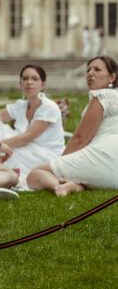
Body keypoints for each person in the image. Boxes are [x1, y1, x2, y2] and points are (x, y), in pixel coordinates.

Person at [27, 56, 118, 196]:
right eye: (88, 70)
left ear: (112, 77)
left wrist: (61, 162)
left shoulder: (102, 96)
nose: (90, 73)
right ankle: (77, 185)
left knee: (36, 174)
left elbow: (80, 139)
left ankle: (61, 186)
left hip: (106, 158)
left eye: (97, 70)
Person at [0, 65, 65, 188]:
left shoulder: (49, 108)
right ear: (20, 83)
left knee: (10, 151)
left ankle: (0, 172)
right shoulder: (21, 105)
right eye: (25, 78)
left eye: (34, 79)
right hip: (25, 148)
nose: (29, 82)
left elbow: (26, 138)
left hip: (44, 154)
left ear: (43, 85)